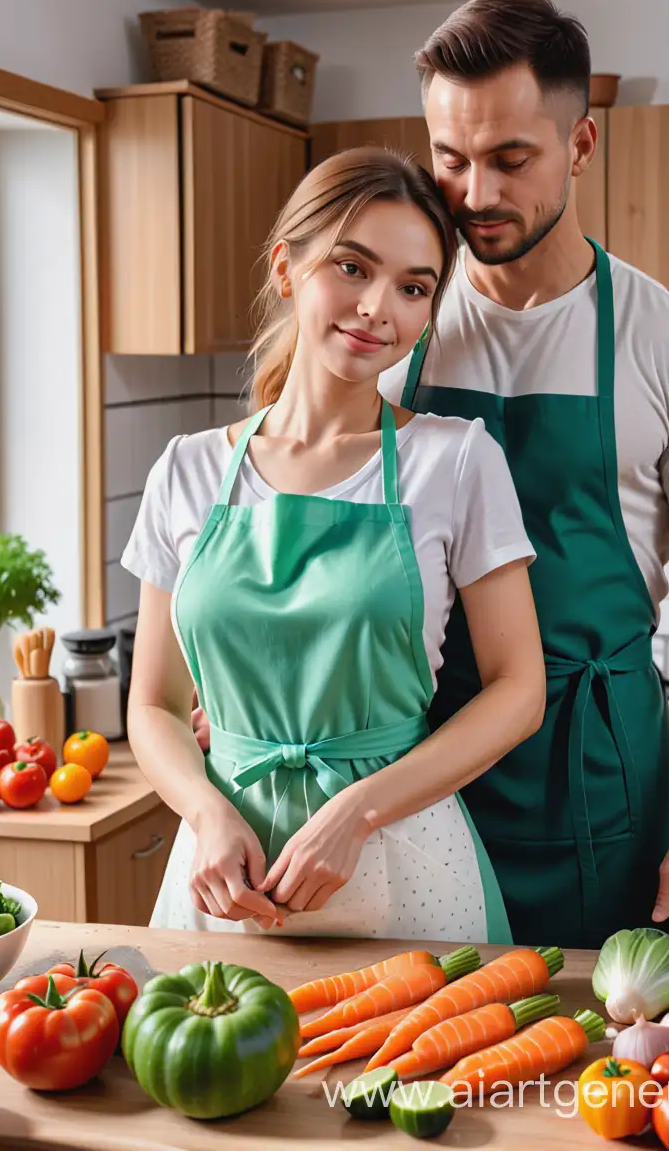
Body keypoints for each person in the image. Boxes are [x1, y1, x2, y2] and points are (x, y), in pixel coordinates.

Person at [376, 0, 669, 952]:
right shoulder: (391, 344)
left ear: (582, 145)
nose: (475, 192)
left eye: (512, 159)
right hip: (425, 777)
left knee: (612, 1075)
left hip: (607, 779)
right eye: (450, 160)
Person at [122, 148, 545, 941]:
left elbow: (519, 690)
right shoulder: (188, 470)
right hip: (225, 874)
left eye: (413, 287)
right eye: (353, 267)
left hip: (406, 853)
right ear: (287, 269)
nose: (378, 307)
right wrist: (205, 810)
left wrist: (358, 810)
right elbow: (153, 704)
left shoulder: (455, 461)